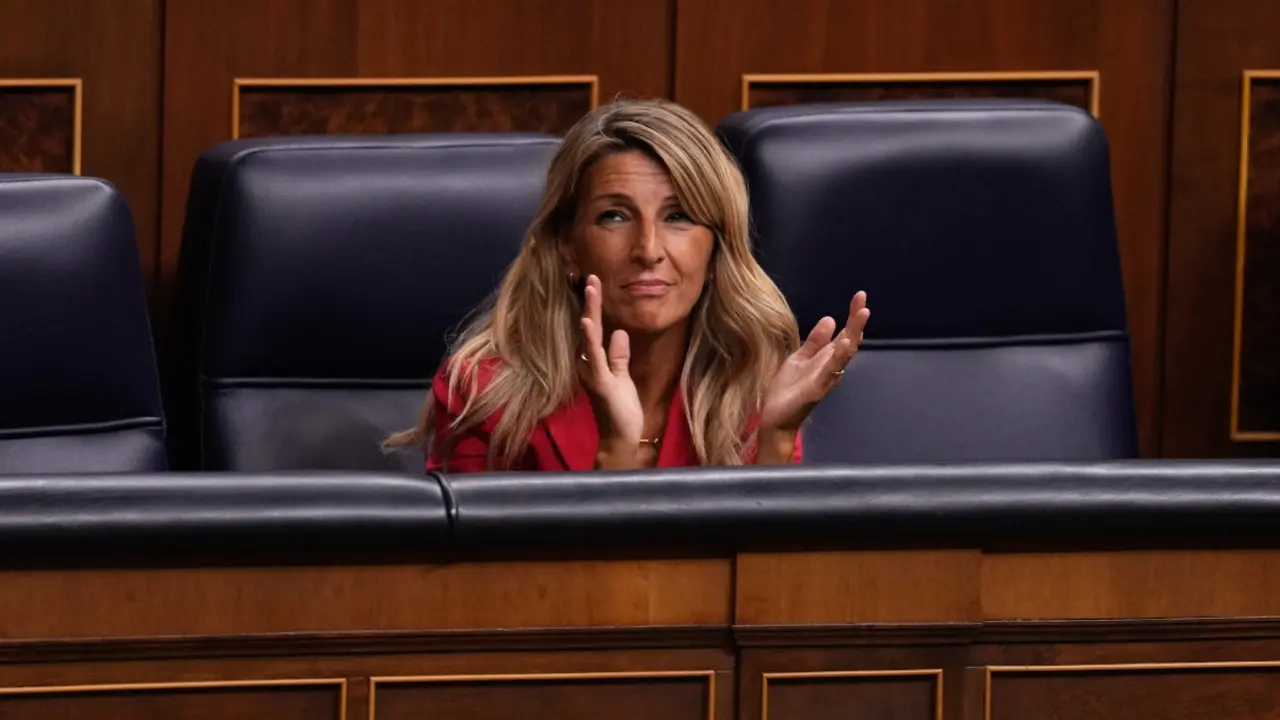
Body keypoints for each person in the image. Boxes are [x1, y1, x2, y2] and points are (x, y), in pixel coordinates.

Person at [386, 98, 869, 472]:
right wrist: (614, 457)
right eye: (614, 216)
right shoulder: (484, 394)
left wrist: (777, 439)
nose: (649, 249)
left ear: (716, 249)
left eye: (679, 217)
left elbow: (764, 587)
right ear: (567, 248)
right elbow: (489, 594)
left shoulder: (747, 385)